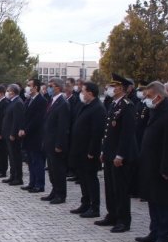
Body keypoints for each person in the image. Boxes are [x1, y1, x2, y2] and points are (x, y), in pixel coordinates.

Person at [135, 82, 168, 242]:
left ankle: (164, 237)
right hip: (150, 165)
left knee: (164, 203)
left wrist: (167, 169)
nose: (146, 99)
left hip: (162, 168)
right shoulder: (155, 110)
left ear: (159, 96)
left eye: (149, 96)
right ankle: (154, 231)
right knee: (153, 200)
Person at [96, 74, 137, 233]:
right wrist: (103, 151)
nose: (110, 88)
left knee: (120, 189)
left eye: (114, 86)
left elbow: (127, 134)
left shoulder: (127, 106)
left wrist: (120, 155)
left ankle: (123, 220)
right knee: (110, 187)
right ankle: (112, 214)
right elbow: (108, 132)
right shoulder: (114, 104)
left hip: (120, 155)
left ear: (121, 88)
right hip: (109, 153)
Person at [68, 81, 106, 218]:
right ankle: (85, 203)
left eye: (83, 91)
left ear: (90, 93)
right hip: (79, 150)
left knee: (91, 179)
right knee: (83, 179)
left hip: (89, 152)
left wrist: (92, 152)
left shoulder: (98, 108)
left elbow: (97, 133)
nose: (81, 94)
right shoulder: (86, 106)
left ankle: (94, 207)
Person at [41, 78, 70, 204]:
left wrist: (59, 144)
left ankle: (61, 194)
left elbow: (62, 126)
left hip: (56, 143)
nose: (49, 88)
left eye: (51, 86)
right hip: (49, 141)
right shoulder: (52, 101)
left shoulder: (63, 103)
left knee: (58, 170)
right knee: (52, 170)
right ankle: (54, 190)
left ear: (58, 87)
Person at [20, 79, 46, 193]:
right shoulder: (29, 99)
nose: (27, 87)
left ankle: (39, 184)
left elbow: (37, 120)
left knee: (37, 161)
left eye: (29, 85)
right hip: (27, 136)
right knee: (30, 160)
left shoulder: (41, 101)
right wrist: (21, 128)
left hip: (36, 136)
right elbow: (24, 116)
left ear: (35, 87)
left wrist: (26, 130)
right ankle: (32, 182)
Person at [1, 84, 25, 186]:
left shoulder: (18, 102)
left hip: (12, 135)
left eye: (9, 91)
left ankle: (18, 178)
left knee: (16, 156)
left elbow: (17, 120)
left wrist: (13, 133)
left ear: (13, 92)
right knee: (11, 156)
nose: (7, 92)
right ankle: (12, 175)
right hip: (7, 133)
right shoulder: (12, 102)